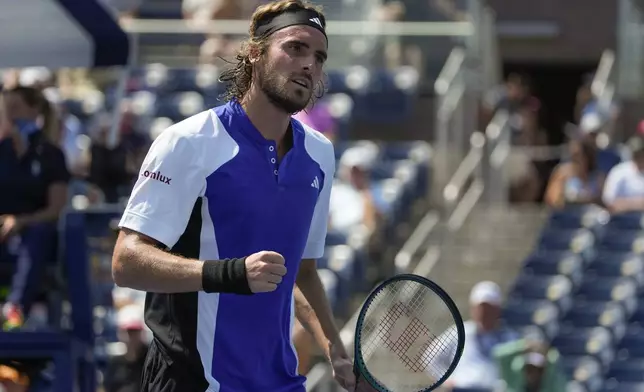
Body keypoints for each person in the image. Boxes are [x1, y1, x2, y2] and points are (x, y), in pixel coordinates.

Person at [111, 1, 355, 391]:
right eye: (295, 48)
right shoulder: (187, 142)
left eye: (319, 56)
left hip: (279, 382)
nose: (310, 64)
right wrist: (230, 274)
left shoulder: (320, 154)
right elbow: (127, 262)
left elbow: (302, 272)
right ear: (255, 53)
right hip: (192, 381)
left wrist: (337, 351)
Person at [0, 86, 69, 330]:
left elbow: (55, 208)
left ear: (34, 109)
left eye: (16, 108)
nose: (11, 114)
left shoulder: (51, 155)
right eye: (6, 109)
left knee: (38, 233)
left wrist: (21, 222)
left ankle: (15, 310)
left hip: (34, 236)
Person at [439, 281, 519, 390]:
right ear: (473, 309)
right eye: (480, 308)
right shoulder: (460, 332)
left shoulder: (510, 337)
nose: (484, 313)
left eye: (489, 308)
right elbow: (431, 358)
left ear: (497, 310)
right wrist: (447, 380)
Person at [545, 139, 604, 209]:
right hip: (567, 214)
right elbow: (552, 200)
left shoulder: (598, 177)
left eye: (577, 155)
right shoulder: (562, 173)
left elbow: (603, 201)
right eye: (572, 155)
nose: (574, 159)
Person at [104, 304, 150, 392]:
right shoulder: (115, 363)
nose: (132, 337)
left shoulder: (152, 361)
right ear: (120, 333)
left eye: (136, 331)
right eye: (129, 332)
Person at [494, 339, 567, 392]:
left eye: (538, 370)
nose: (533, 374)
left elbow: (556, 360)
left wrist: (547, 350)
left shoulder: (551, 385)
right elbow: (498, 355)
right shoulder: (513, 381)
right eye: (529, 369)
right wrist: (522, 345)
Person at [602, 130, 644, 213]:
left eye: (641, 153)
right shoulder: (619, 171)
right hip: (621, 218)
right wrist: (636, 204)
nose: (638, 157)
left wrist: (625, 203)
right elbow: (609, 201)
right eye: (636, 154)